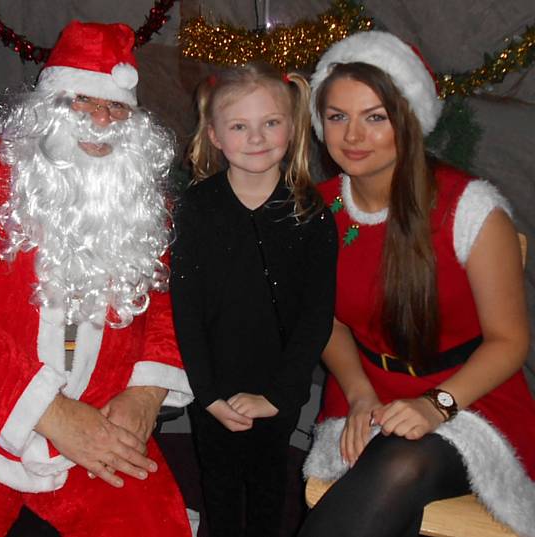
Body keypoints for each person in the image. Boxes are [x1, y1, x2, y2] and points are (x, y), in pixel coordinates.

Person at [0, 21, 196, 537]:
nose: (102, 120)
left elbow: (167, 301)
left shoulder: (141, 199)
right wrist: (53, 414)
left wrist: (146, 393)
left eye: (117, 107)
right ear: (48, 104)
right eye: (84, 100)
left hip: (105, 424)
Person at [299, 30, 535, 537]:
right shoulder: (320, 211)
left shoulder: (470, 210)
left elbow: (510, 341)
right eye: (338, 116)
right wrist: (359, 392)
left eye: (375, 117)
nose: (353, 136)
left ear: (408, 120)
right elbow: (326, 320)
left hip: (469, 396)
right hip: (366, 390)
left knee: (398, 466)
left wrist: (436, 405)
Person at [170, 62, 337, 537]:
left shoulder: (310, 214)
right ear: (216, 135)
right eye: (240, 126)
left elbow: (314, 318)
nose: (257, 137)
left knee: (268, 487)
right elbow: (187, 310)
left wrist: (280, 396)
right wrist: (208, 394)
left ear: (292, 126)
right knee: (218, 486)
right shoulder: (198, 209)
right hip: (213, 389)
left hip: (276, 391)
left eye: (270, 123)